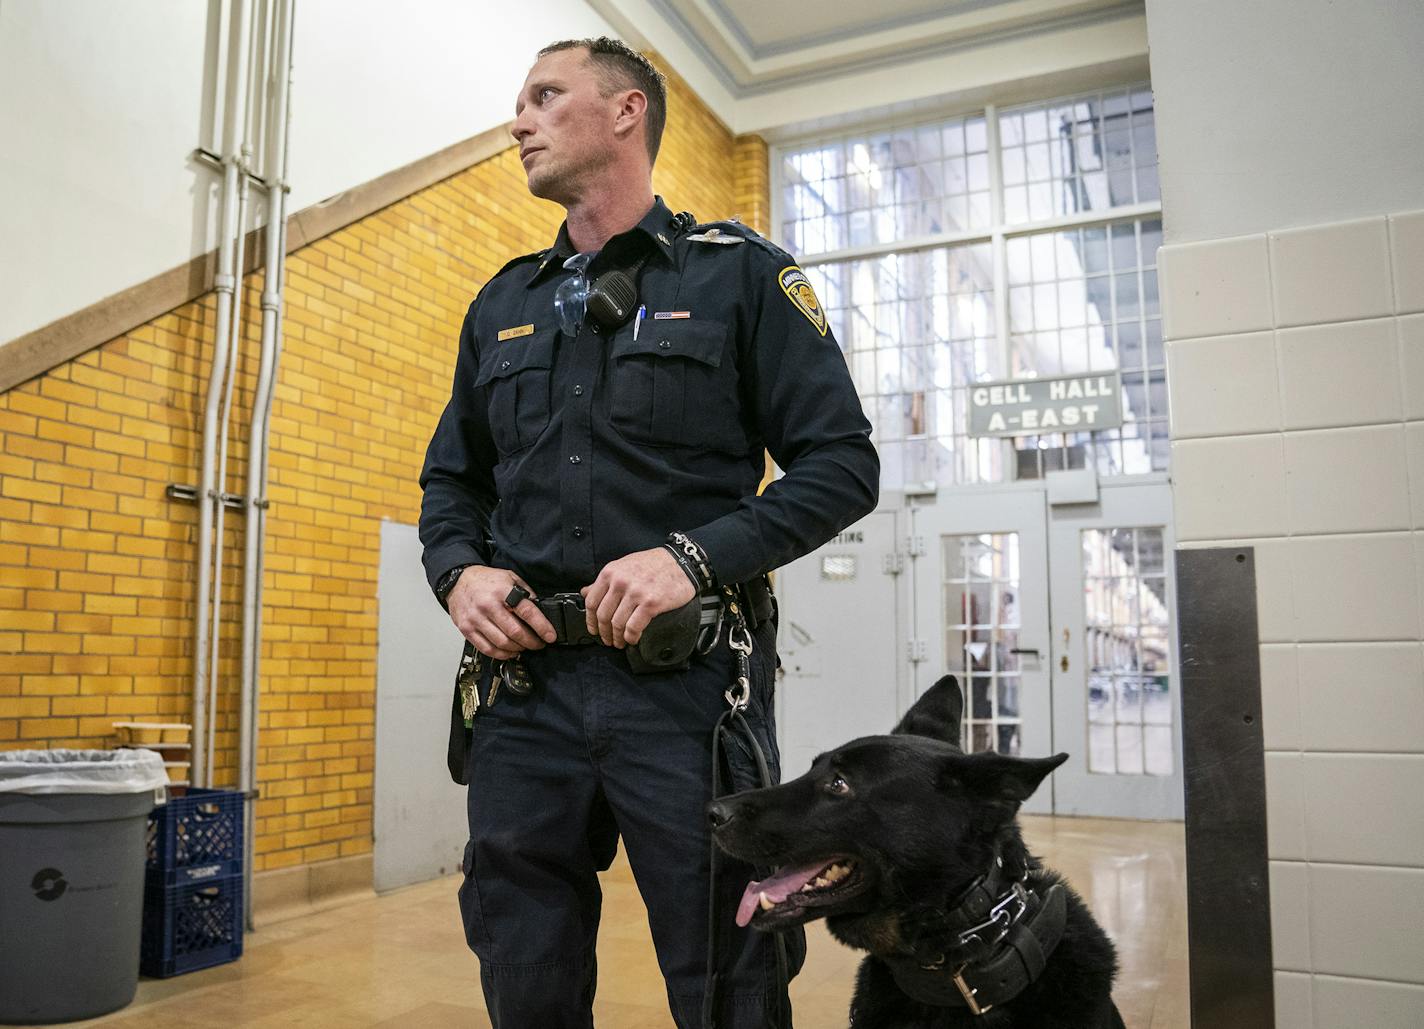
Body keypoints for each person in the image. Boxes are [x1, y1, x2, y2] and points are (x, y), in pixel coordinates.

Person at [419, 35, 878, 1029]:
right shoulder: (502, 302)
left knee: (727, 961)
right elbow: (451, 481)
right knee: (520, 952)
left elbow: (843, 467)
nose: (518, 121)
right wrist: (458, 574)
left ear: (626, 112)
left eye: (545, 97)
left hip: (684, 691)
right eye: (521, 102)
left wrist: (690, 558)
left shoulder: (738, 278)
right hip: (521, 691)